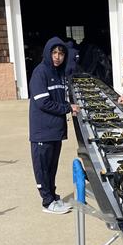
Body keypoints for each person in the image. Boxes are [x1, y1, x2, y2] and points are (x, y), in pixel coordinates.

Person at [29, 37, 78, 215]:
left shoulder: (59, 73)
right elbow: (43, 103)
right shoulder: (40, 72)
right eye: (54, 53)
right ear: (48, 53)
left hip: (55, 130)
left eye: (61, 53)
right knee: (42, 167)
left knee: (51, 167)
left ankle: (53, 195)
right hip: (42, 130)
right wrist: (67, 107)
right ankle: (47, 202)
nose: (58, 57)